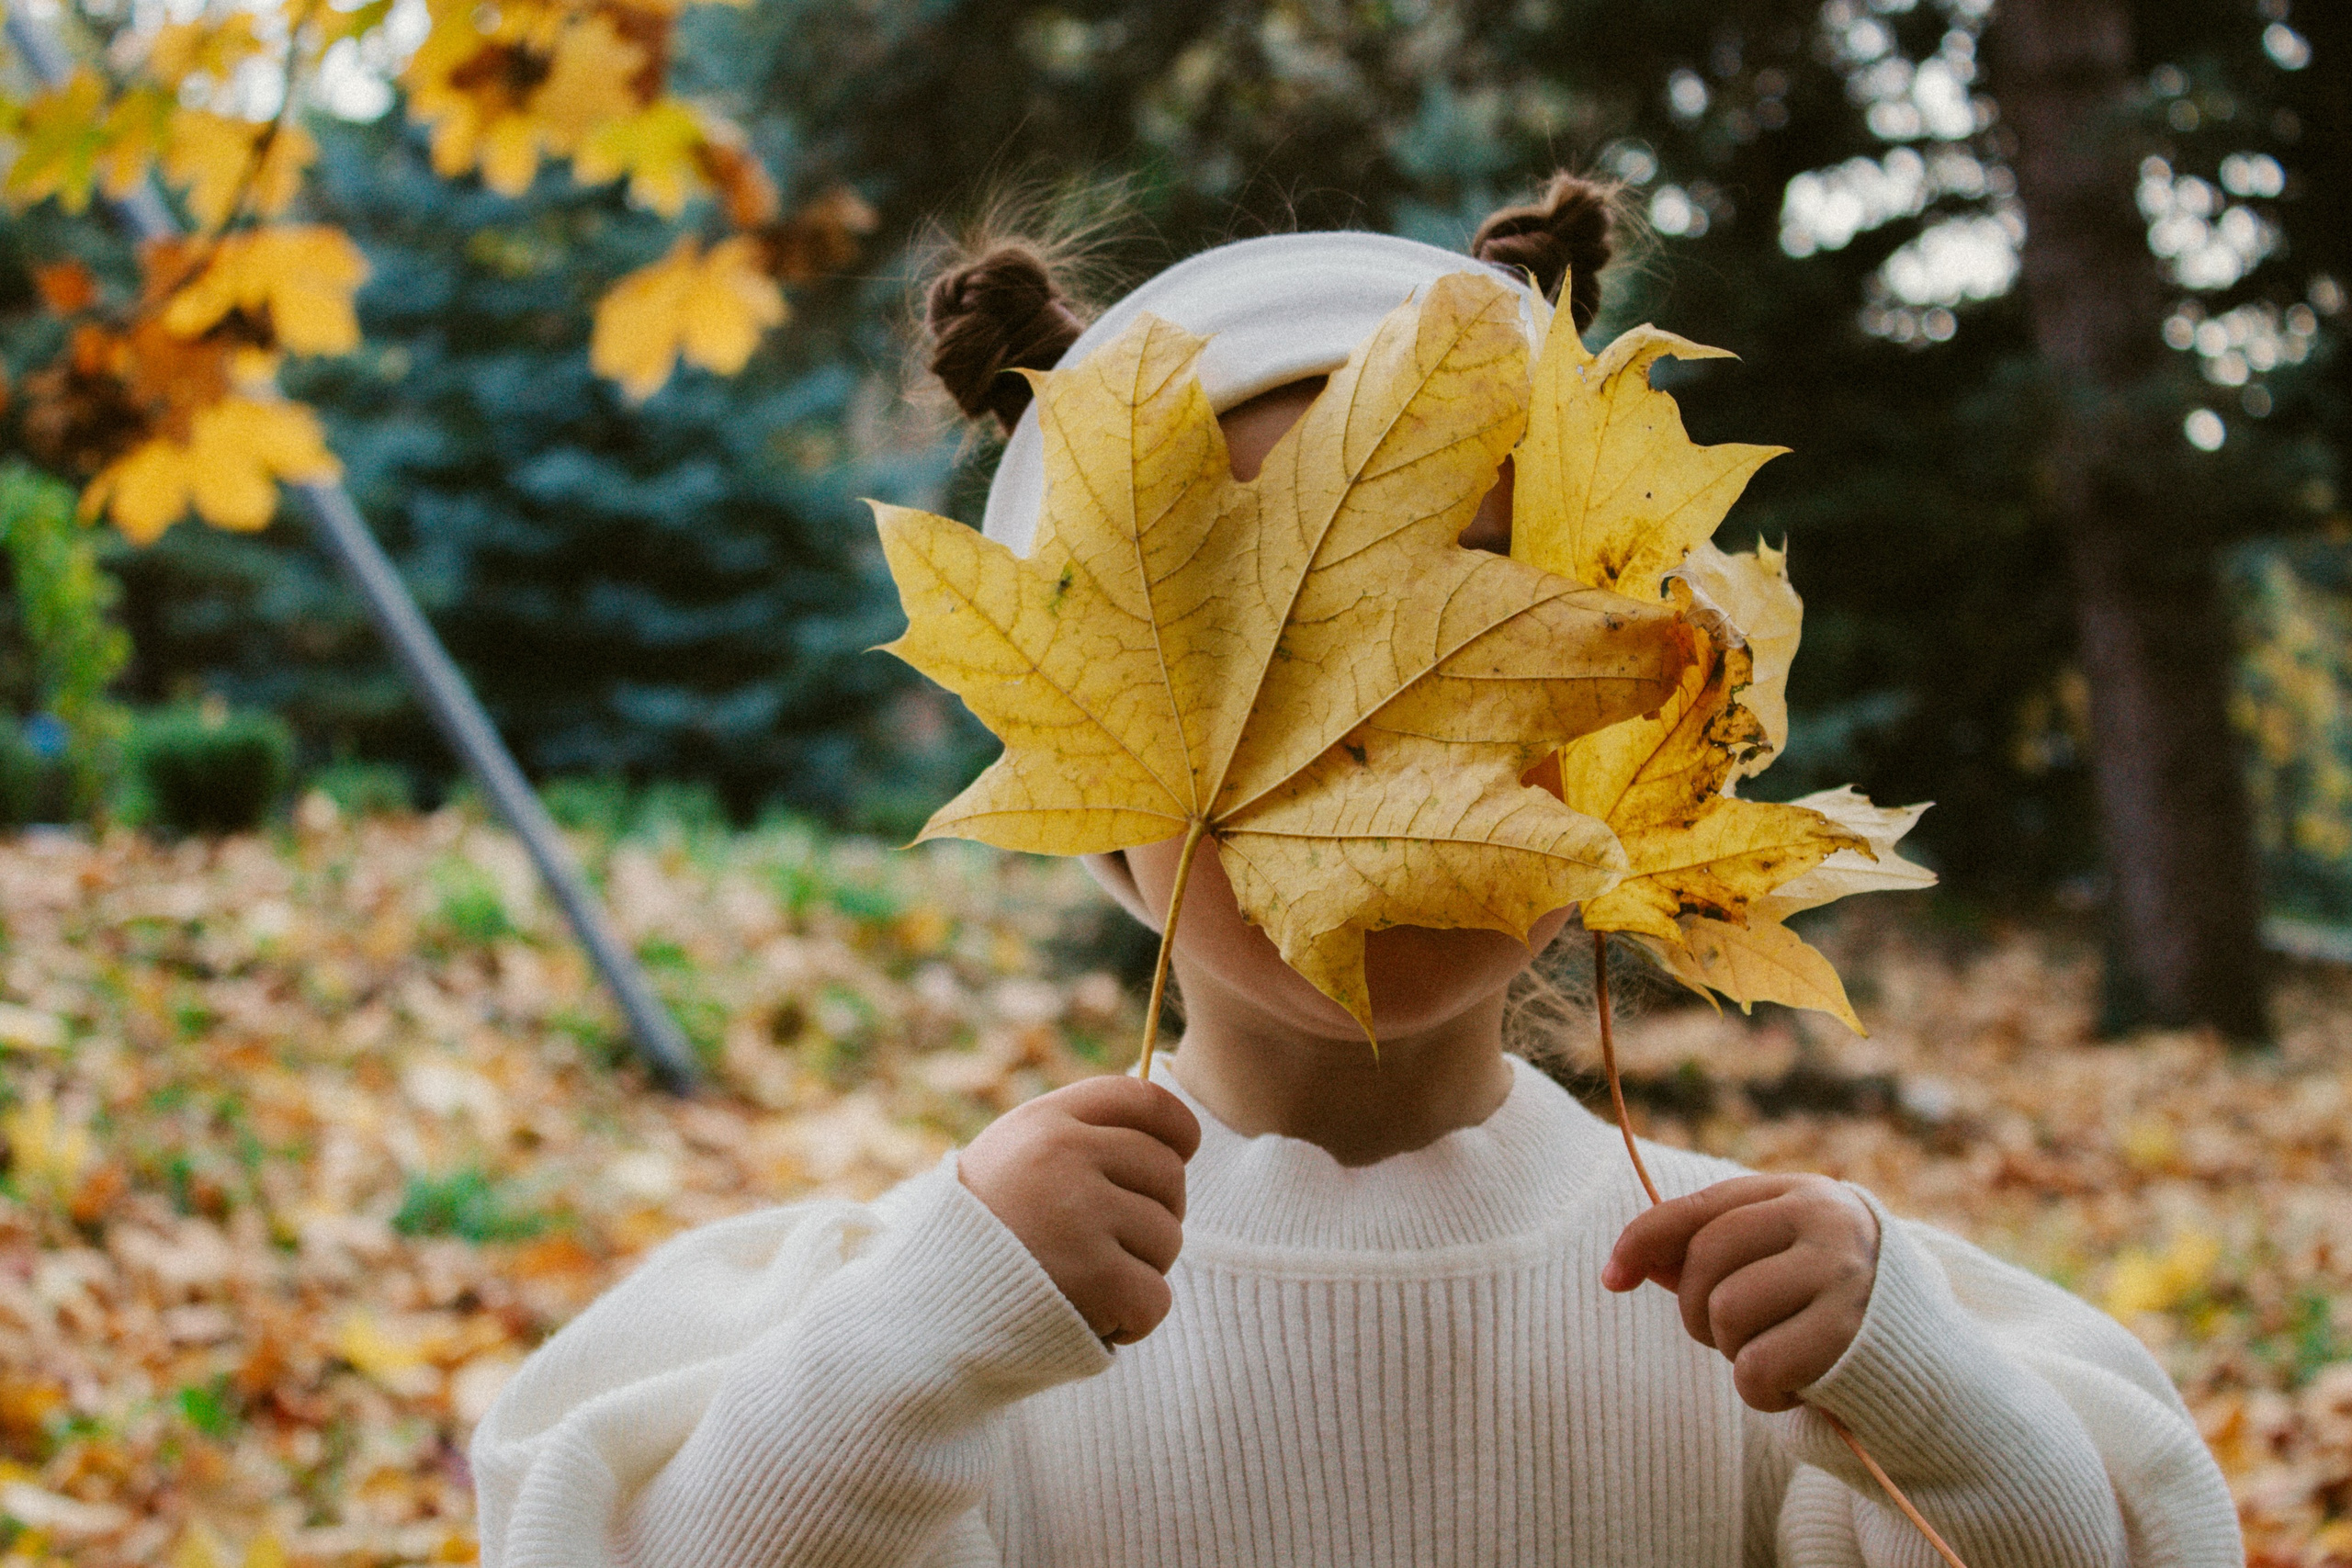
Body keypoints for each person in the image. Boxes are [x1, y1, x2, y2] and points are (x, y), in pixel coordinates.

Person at [470, 175, 2240, 1568]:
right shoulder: (950, 1310)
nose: (1363, 738)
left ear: (1632, 700)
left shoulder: (1767, 1322)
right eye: (1247, 642)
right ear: (1084, 754)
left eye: (1480, 633)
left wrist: (1925, 1396)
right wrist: (911, 1340)